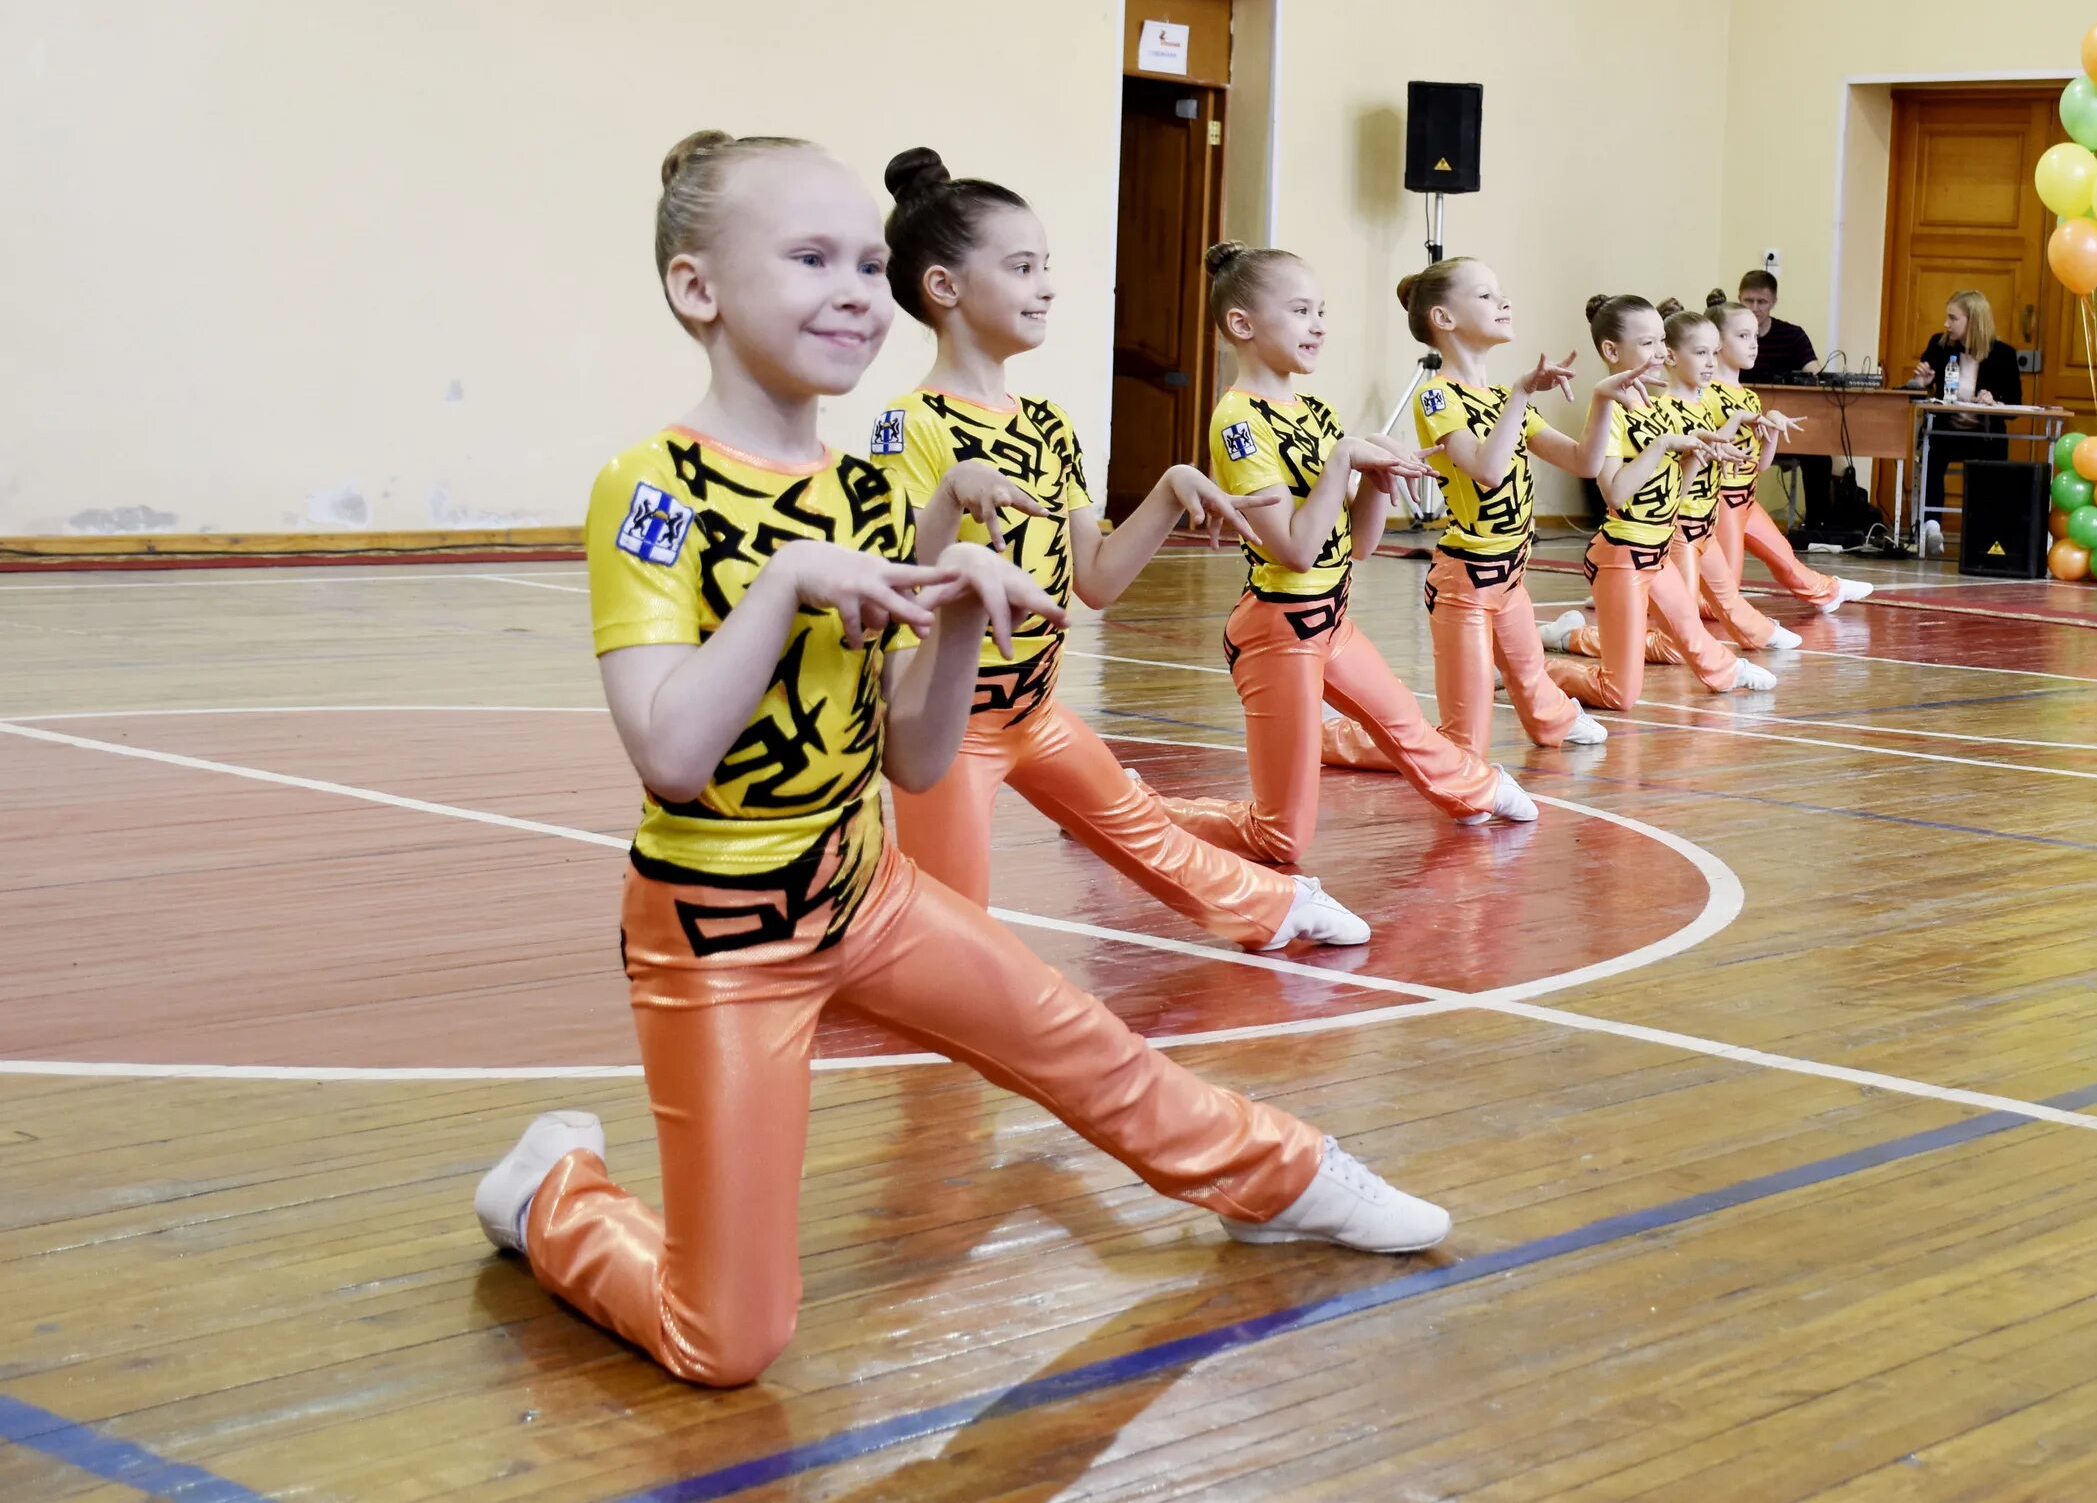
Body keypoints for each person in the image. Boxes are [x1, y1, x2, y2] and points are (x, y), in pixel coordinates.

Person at [473, 132, 1446, 1391]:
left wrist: (959, 611)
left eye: (868, 264)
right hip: (718, 935)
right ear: (697, 289)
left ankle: (1284, 1176)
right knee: (730, 1342)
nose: (852, 290)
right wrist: (782, 586)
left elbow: (920, 761)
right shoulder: (651, 488)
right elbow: (668, 753)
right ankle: (554, 1186)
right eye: (810, 258)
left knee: (1092, 1048)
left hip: (866, 887)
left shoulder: (871, 499)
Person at [868, 148, 1368, 953]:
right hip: (951, 727)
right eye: (1024, 267)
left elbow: (1094, 581)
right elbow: (893, 595)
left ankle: (1274, 905)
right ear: (944, 287)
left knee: (1143, 830)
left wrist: (1172, 489)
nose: (1050, 286)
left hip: (1035, 708)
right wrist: (947, 497)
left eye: (1047, 266)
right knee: (951, 943)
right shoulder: (911, 424)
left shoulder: (1049, 425)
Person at [1203, 242, 1539, 863]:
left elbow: (1356, 546)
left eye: (1322, 311)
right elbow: (1298, 551)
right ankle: (1132, 812)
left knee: (1411, 730)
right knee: (1281, 838)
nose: (1319, 325)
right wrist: (1343, 459)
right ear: (1242, 326)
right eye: (1301, 311)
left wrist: (1380, 482)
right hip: (1279, 630)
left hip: (1330, 623)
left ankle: (1481, 787)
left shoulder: (1313, 410)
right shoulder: (1238, 422)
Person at [1321, 257, 1644, 771]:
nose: (1504, 303)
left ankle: (1555, 717)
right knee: (1461, 748)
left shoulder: (1502, 397)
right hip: (1466, 583)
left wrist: (1602, 399)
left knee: (1531, 677)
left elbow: (1584, 461)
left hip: (1510, 575)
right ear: (1444, 319)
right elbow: (1487, 471)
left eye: (1501, 293)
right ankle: (1330, 739)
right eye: (1486, 296)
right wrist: (1520, 393)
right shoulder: (1436, 396)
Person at [1537, 294, 1778, 707]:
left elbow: (1673, 499)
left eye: (1662, 341)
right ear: (1612, 350)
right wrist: (1666, 444)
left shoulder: (1655, 405)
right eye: (1648, 343)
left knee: (1689, 635)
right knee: (1619, 693)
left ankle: (1725, 670)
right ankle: (1533, 673)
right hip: (1622, 555)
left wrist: (1694, 460)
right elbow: (1615, 493)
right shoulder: (1609, 412)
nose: (1661, 352)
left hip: (1658, 547)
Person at [1706, 296, 1874, 613]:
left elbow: (1759, 466)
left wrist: (1771, 434)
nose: (1753, 344)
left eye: (1755, 336)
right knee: (1723, 598)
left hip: (1744, 498)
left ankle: (1828, 591)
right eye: (1742, 336)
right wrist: (1736, 421)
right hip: (1718, 503)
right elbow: (1706, 454)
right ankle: (1646, 600)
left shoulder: (1750, 397)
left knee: (1783, 555)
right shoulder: (1705, 393)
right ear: (1715, 343)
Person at [1903, 288, 2023, 557]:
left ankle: (1983, 535)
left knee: (1992, 473)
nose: (1946, 324)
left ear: (1973, 321)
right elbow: (1914, 392)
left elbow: (2014, 403)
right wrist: (1919, 385)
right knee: (1932, 453)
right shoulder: (1940, 345)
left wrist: (1995, 401)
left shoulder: (2003, 354)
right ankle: (1932, 527)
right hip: (1946, 432)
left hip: (1986, 436)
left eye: (1953, 318)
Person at [1733, 269, 1835, 541]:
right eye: (1748, 301)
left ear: (1774, 302)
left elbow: (1815, 373)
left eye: (1761, 302)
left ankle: (1817, 529)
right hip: (1737, 423)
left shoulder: (1791, 335)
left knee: (1819, 456)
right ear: (1738, 299)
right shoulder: (1727, 335)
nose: (1755, 308)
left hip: (1782, 425)